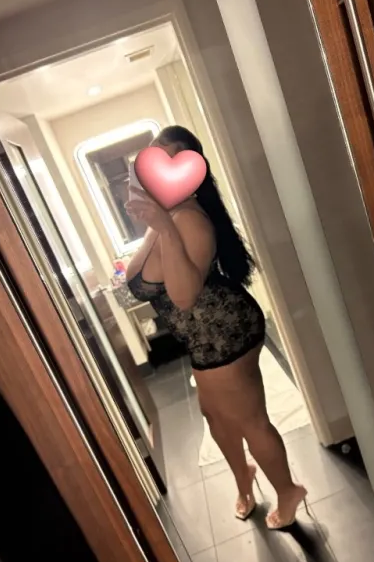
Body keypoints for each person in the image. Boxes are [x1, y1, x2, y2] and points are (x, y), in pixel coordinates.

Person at [125, 125, 307, 529]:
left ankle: (289, 490)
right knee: (214, 414)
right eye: (153, 159)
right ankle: (244, 476)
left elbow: (184, 296)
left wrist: (163, 226)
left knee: (248, 419)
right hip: (203, 337)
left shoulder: (189, 220)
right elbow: (138, 276)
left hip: (226, 332)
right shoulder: (167, 217)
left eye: (169, 159)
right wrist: (155, 221)